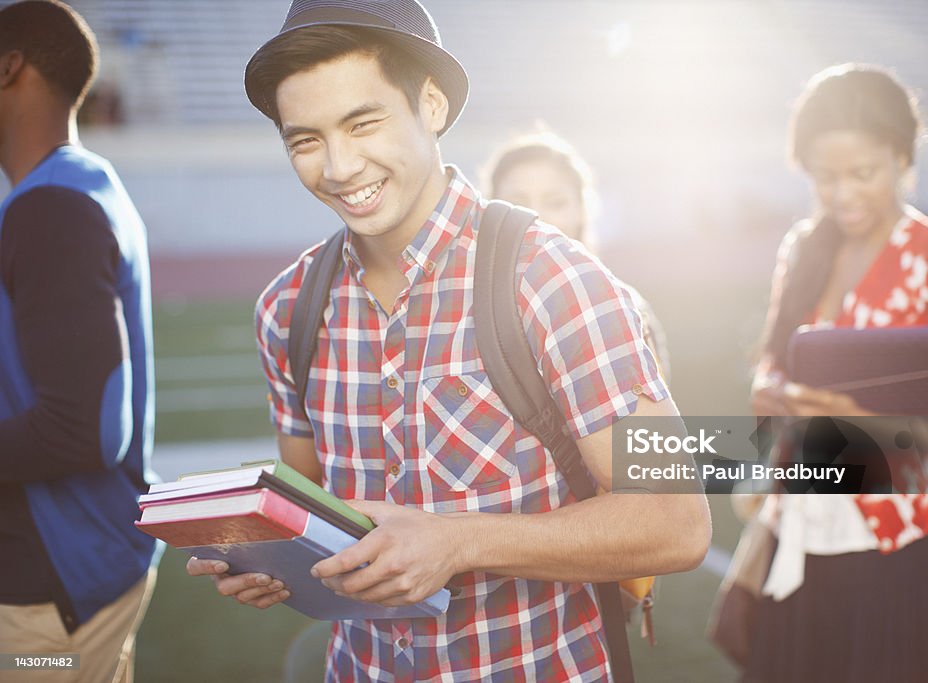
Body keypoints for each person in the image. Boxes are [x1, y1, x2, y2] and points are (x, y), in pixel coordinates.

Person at [184, 1, 711, 680]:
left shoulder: (555, 277)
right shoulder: (286, 308)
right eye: (305, 140)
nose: (339, 166)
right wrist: (267, 555)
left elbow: (677, 520)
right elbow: (309, 503)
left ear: (431, 104)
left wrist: (457, 541)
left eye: (362, 123)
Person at [741, 63, 928, 682]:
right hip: (803, 535)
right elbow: (772, 361)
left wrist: (881, 427)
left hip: (902, 548)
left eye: (861, 173)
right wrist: (773, 394)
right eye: (824, 178)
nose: (842, 194)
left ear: (901, 157)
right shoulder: (803, 247)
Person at [0, 2, 159, 681]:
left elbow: (85, 430)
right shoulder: (76, 184)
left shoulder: (51, 206)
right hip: (90, 559)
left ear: (10, 66)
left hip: (51, 588)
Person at [483, 129, 672, 382]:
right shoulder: (462, 305)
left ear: (582, 210)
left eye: (556, 202)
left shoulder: (627, 308)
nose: (535, 216)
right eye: (518, 202)